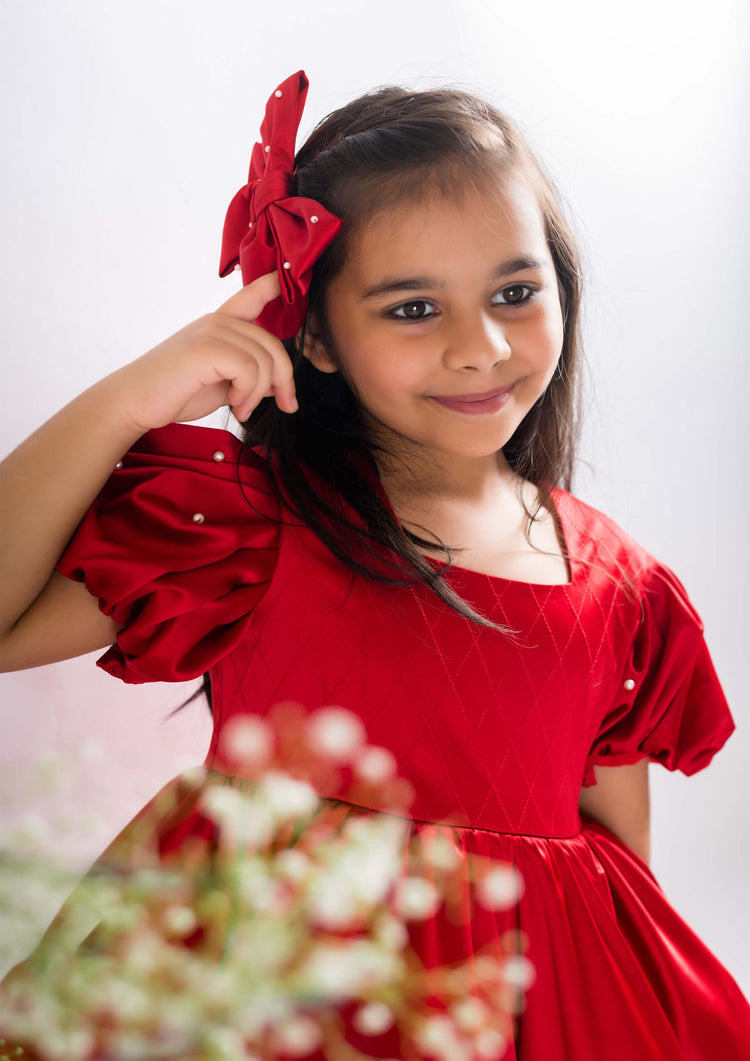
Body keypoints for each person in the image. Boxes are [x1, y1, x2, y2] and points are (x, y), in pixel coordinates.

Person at [0, 69, 748, 1060]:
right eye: (412, 309)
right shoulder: (249, 524)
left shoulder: (625, 589)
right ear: (310, 329)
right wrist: (127, 400)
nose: (481, 347)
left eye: (515, 292)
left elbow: (614, 872)